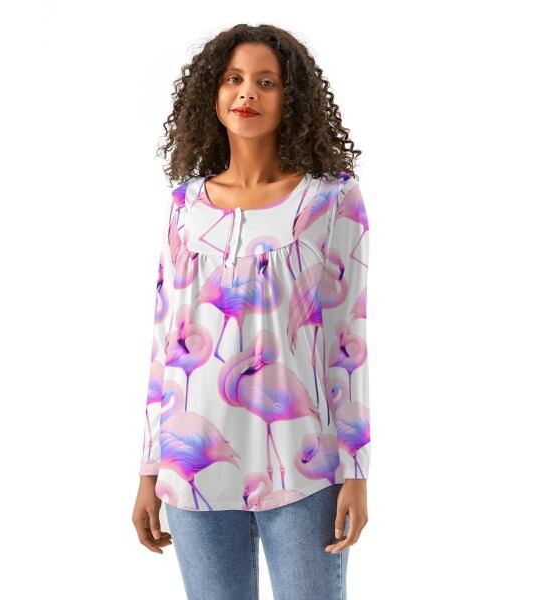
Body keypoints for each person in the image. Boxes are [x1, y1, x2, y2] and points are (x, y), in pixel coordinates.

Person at [132, 23, 371, 600]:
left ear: (292, 99)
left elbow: (349, 338)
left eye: (266, 82)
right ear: (212, 94)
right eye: (233, 79)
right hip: (193, 476)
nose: (247, 93)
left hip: (301, 466)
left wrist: (357, 471)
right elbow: (166, 343)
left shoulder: (331, 198)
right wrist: (149, 468)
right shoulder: (185, 205)